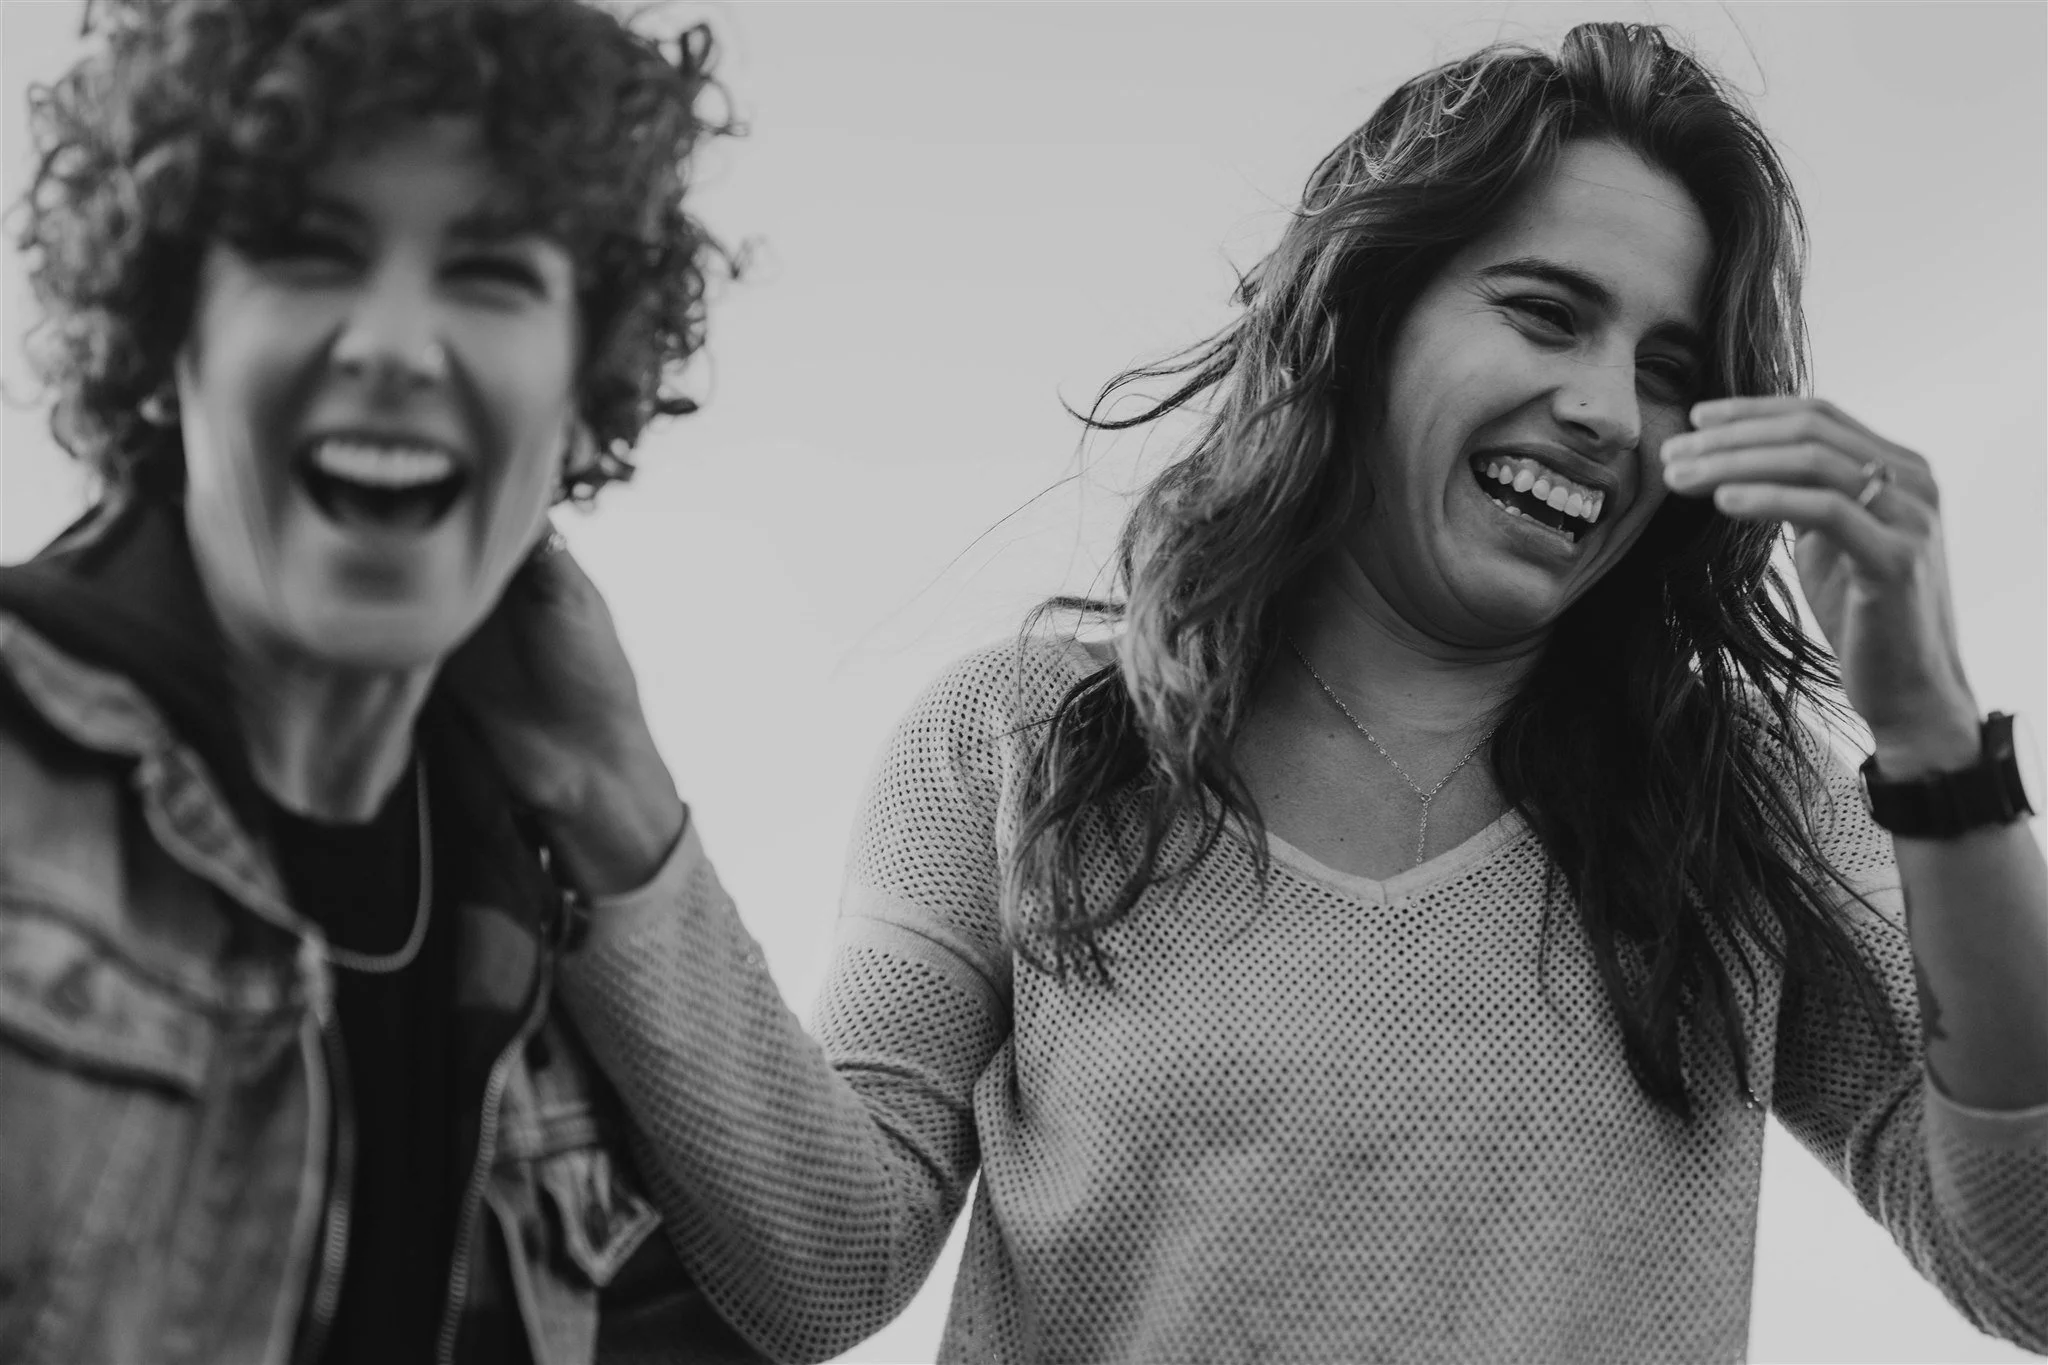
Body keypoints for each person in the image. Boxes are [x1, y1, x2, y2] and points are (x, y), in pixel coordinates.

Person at [515, 21, 2048, 1364]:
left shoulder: (1740, 801)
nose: (1602, 411)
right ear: (1363, 321)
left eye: (1666, 367)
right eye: (1543, 312)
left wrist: (1935, 752)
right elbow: (821, 1267)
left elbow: (2030, 1273)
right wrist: (612, 799)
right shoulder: (1020, 742)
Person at [0, 0, 767, 1360]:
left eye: (488, 273)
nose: (399, 347)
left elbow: (810, 1277)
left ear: (584, 393)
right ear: (170, 348)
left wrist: (613, 789)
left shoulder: (528, 925)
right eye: (308, 253)